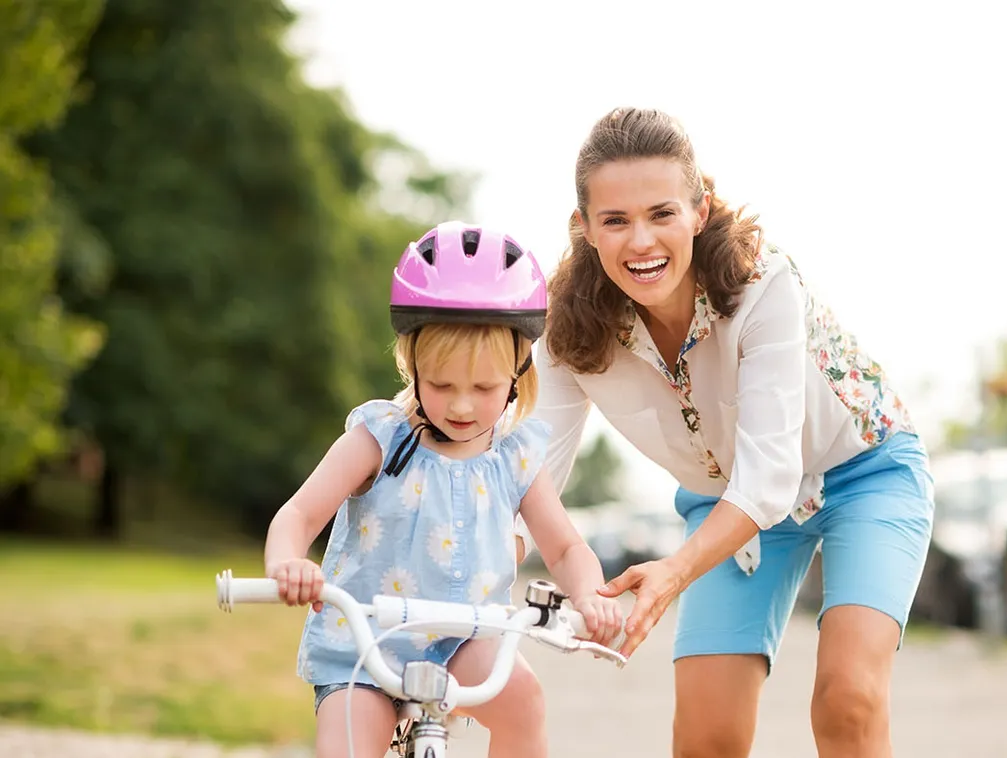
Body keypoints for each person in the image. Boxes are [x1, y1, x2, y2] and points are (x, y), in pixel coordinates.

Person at [531, 107, 935, 758]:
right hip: (727, 504)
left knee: (846, 701)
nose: (640, 241)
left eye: (661, 213)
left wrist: (671, 573)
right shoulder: (566, 333)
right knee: (705, 739)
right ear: (583, 229)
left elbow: (770, 475)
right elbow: (529, 485)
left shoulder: (759, 282)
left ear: (699, 209)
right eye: (615, 220)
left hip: (864, 474)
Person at [263, 221, 624, 758]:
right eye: (441, 384)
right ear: (411, 365)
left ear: (518, 373)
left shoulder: (514, 456)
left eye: (483, 388)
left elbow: (566, 547)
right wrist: (288, 563)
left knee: (524, 701)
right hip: (366, 646)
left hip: (463, 643)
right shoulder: (378, 439)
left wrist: (590, 594)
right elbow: (297, 516)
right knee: (347, 745)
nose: (460, 406)